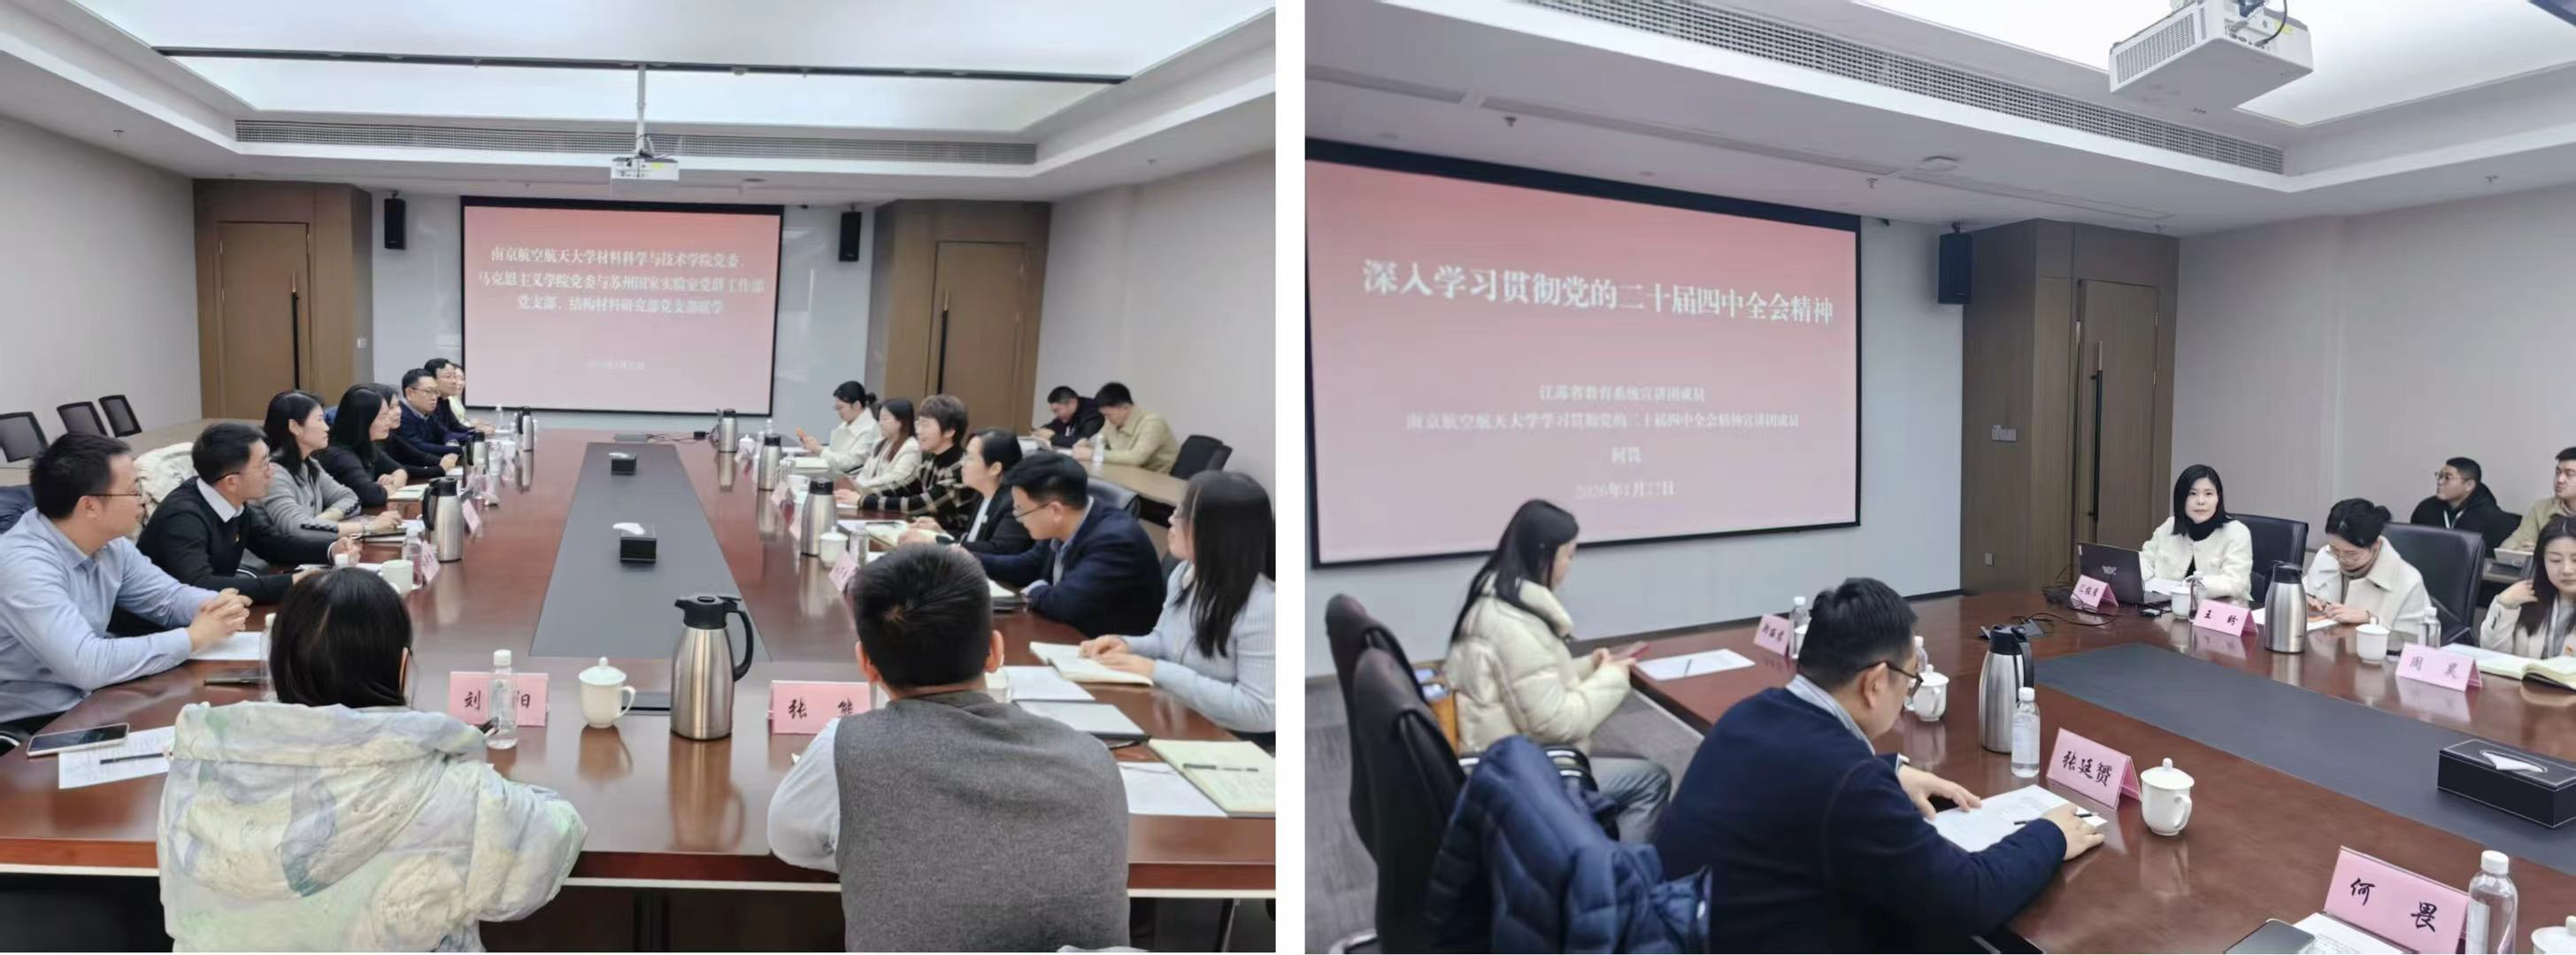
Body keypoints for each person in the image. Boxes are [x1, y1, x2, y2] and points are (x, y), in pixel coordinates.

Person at [1653, 577, 2101, 951]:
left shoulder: (1748, 714)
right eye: (1910, 678)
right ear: (1875, 683)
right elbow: (1969, 898)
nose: (1908, 693)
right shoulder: (1850, 785)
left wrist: (1891, 771)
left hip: (1690, 926)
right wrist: (2049, 835)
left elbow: (1793, 777)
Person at [158, 568, 585, 950]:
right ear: (403, 667)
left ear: (278, 667)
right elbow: (553, 839)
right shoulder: (453, 792)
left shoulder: (199, 769)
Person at [768, 544, 1127, 951]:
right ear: (994, 652)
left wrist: (883, 847)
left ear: (866, 663)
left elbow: (788, 841)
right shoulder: (1093, 759)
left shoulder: (844, 750)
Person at [1444, 499, 1667, 842]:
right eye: (1568, 556)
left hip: (1498, 758)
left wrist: (1589, 666)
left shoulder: (1496, 602)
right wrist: (1612, 678)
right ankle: (1616, 871)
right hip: (1521, 777)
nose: (1569, 567)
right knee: (1650, 780)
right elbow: (1557, 723)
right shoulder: (1513, 627)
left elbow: (1527, 681)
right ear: (1543, 555)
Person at [0, 435, 250, 736]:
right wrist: (192, 637)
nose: (142, 500)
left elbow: (168, 598)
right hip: (35, 725)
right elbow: (86, 664)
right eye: (133, 491)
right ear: (90, 506)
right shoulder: (23, 566)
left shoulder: (110, 544)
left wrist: (215, 605)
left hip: (96, 698)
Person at [1077, 472, 1276, 741]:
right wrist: (1127, 645)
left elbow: (1260, 710)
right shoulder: (1185, 572)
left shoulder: (1265, 606)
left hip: (1229, 741)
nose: (1172, 519)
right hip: (1178, 718)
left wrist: (1156, 670)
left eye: (1183, 513)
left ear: (1218, 532)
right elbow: (1166, 640)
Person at [135, 421, 357, 607]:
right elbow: (200, 584)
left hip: (217, 612)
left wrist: (330, 549)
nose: (272, 471)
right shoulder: (183, 517)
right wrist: (291, 583)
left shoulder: (228, 497)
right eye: (264, 465)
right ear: (232, 481)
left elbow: (271, 544)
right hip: (164, 626)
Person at [975, 452, 1165, 637]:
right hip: (1069, 633)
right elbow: (1030, 565)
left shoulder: (1116, 541)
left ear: (1055, 511)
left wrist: (1034, 590)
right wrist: (973, 560)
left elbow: (1065, 603)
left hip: (1106, 648)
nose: (1018, 519)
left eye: (1020, 510)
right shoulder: (1066, 520)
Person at [257, 390, 396, 544]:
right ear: (295, 427)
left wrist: (322, 519)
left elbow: (350, 498)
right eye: (319, 420)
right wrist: (367, 528)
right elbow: (296, 528)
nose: (326, 427)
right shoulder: (273, 473)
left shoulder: (309, 464)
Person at [2304, 497, 2434, 637]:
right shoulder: (2326, 556)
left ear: (2375, 546)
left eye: (2352, 554)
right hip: (2324, 647)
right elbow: (2305, 592)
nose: (2341, 558)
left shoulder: (2408, 581)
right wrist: (2305, 603)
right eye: (2335, 549)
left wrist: (2370, 619)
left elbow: (2418, 640)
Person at [852, 394, 975, 532]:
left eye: (925, 425)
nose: (918, 431)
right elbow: (904, 488)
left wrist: (863, 500)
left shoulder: (960, 469)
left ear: (949, 431)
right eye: (918, 423)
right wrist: (861, 492)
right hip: (927, 532)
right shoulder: (932, 460)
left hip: (953, 539)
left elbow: (918, 504)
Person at [2137, 464, 2254, 602]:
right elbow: (2145, 559)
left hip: (2223, 610)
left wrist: (2192, 586)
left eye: (2208, 494)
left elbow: (2235, 583)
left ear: (2218, 498)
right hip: (2167, 608)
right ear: (2181, 498)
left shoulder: (2237, 532)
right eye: (2192, 494)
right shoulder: (2169, 526)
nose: (2200, 501)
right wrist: (2128, 576)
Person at [317, 385, 440, 509]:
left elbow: (400, 470)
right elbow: (371, 496)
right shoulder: (339, 454)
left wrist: (391, 482)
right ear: (364, 420)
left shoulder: (366, 444)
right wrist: (382, 489)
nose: (388, 421)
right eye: (383, 417)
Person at [927, 428, 1036, 557]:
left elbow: (999, 550)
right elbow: (972, 539)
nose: (962, 464)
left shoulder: (1014, 502)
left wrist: (937, 542)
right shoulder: (980, 494)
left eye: (970, 458)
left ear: (995, 468)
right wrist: (940, 533)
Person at [2482, 517, 2576, 658]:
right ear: (2542, 562)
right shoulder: (2527, 596)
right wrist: (2505, 605)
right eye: (2555, 560)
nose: (2566, 569)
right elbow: (2492, 655)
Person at [2412, 457, 2520, 551]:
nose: (2440, 482)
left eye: (2447, 478)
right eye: (2440, 476)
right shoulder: (2426, 509)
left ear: (2469, 485)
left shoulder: (2493, 519)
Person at [1071, 381, 1176, 474]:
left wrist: (1094, 455)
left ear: (1125, 407)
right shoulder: (1111, 421)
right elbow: (1100, 440)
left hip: (1156, 481)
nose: (1106, 419)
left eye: (1109, 415)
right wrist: (1088, 444)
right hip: (1127, 475)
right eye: (1104, 415)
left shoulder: (1153, 423)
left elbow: (1136, 458)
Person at [796, 381, 880, 475]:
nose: (839, 412)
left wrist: (820, 450)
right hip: (833, 475)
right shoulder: (848, 423)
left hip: (848, 480)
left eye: (840, 408)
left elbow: (849, 463)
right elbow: (835, 451)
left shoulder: (870, 430)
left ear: (856, 405)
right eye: (837, 409)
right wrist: (815, 448)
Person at [375, 383, 460, 478]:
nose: (398, 412)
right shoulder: (371, 442)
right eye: (391, 408)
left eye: (398, 405)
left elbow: (416, 455)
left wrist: (443, 461)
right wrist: (440, 468)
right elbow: (395, 468)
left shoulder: (390, 434)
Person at [847, 397, 924, 498]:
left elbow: (893, 479)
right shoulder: (883, 442)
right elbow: (866, 472)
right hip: (869, 496)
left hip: (891, 501)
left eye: (885, 419)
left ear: (901, 421)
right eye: (879, 419)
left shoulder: (911, 448)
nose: (880, 423)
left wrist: (858, 487)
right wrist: (854, 486)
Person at [2503, 449, 2576, 553]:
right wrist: (2518, 550)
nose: (2560, 480)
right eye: (2557, 473)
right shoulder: (2542, 508)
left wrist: (2543, 552)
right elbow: (2507, 547)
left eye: (2569, 474)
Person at [395, 369, 465, 462]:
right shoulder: (399, 416)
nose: (434, 397)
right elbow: (420, 447)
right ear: (410, 393)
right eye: (428, 391)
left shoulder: (427, 412)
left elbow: (445, 433)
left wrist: (452, 443)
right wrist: (462, 450)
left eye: (436, 392)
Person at [418, 358, 486, 442]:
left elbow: (456, 427)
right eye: (448, 377)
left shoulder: (445, 401)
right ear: (432, 380)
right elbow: (445, 435)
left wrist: (477, 431)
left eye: (454, 376)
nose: (455, 381)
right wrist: (474, 435)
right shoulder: (430, 404)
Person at [1034, 385, 1103, 450]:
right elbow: (1055, 425)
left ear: (1072, 403)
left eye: (1057, 410)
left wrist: (1052, 437)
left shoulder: (1092, 413)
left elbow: (1083, 441)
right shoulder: (1071, 412)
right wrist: (1041, 430)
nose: (1056, 415)